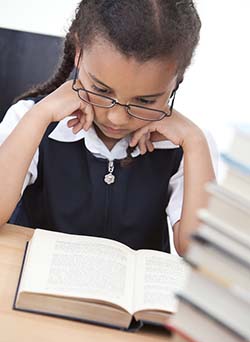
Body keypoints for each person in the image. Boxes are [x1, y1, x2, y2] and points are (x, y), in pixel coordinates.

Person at [0, 0, 217, 256]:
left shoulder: (185, 147)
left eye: (145, 101)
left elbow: (199, 254)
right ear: (79, 52)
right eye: (101, 90)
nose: (117, 118)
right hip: (36, 291)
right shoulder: (29, 118)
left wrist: (195, 142)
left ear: (178, 78)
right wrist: (40, 116)